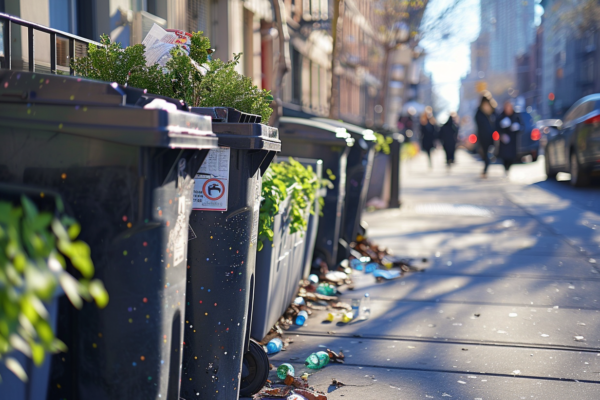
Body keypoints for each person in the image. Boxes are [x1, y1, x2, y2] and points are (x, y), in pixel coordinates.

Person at [496, 100, 521, 176]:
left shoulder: (516, 116)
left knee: (511, 157)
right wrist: (501, 133)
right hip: (504, 140)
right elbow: (496, 127)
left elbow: (521, 126)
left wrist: (517, 127)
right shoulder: (501, 116)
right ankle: (505, 169)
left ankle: (508, 169)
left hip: (513, 140)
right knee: (504, 156)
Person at [474, 96, 496, 178]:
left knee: (488, 152)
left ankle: (485, 169)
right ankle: (485, 168)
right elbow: (477, 121)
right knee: (484, 153)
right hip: (482, 136)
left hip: (491, 135)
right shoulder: (479, 112)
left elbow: (497, 120)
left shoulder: (493, 110)